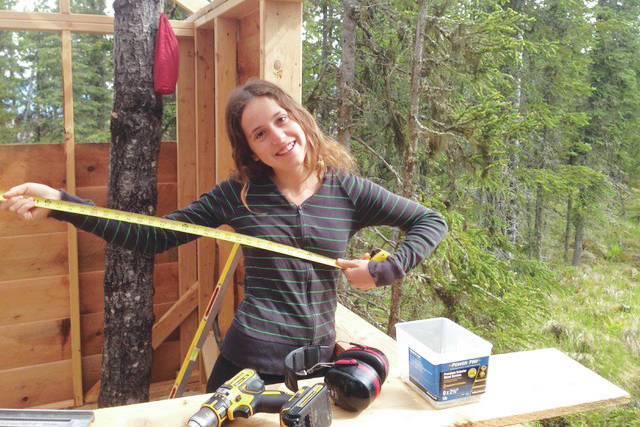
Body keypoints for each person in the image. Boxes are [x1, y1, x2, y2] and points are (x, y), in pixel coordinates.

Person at [0, 79, 448, 392]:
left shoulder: (347, 189)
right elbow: (154, 237)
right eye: (259, 133)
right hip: (246, 365)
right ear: (250, 149)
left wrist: (387, 268)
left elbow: (431, 221)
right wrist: (62, 204)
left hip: (317, 365)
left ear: (299, 117)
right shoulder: (239, 195)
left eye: (280, 119)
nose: (278, 136)